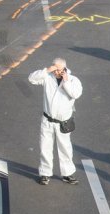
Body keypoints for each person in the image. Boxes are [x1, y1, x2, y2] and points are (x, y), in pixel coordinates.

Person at [28, 57, 83, 185]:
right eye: (54, 69)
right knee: (45, 147)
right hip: (47, 120)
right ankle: (45, 173)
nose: (56, 72)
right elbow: (31, 79)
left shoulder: (73, 80)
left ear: (64, 69)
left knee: (65, 148)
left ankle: (67, 174)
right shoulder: (47, 77)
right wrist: (46, 70)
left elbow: (76, 94)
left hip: (63, 122)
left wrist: (66, 82)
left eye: (58, 70)